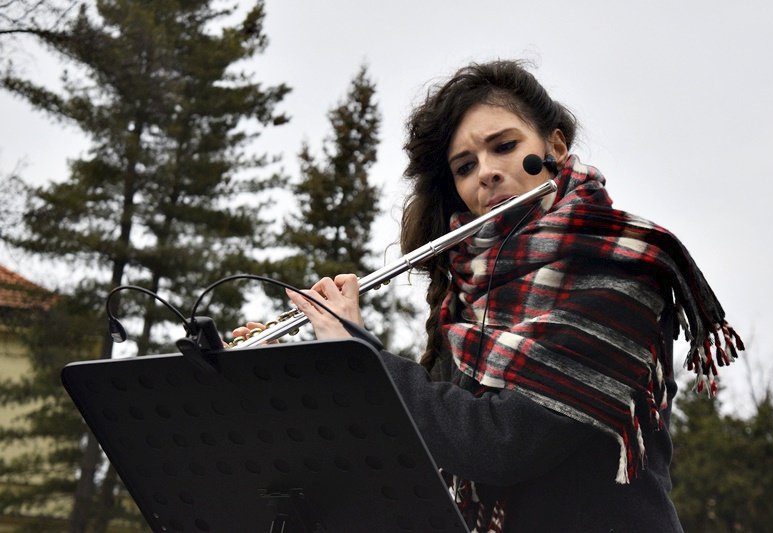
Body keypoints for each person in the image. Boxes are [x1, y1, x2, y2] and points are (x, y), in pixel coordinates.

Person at [233, 60, 743, 533]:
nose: (486, 173)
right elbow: (423, 439)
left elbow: (499, 443)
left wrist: (357, 356)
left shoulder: (619, 266)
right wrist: (308, 360)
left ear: (556, 149)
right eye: (464, 166)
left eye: (503, 146)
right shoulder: (472, 294)